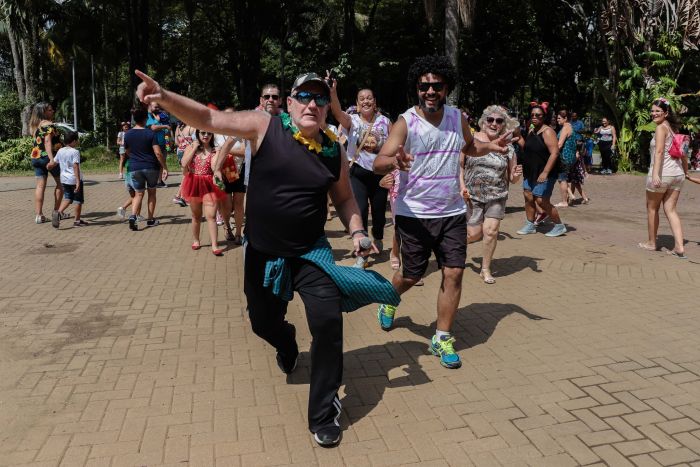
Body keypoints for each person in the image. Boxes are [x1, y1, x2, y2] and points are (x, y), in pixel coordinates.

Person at [135, 69, 399, 446]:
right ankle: (287, 343)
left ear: (327, 108)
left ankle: (324, 411)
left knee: (327, 323)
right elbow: (209, 119)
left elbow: (343, 197)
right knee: (263, 323)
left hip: (312, 255)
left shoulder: (332, 149)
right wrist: (163, 95)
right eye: (304, 97)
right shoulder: (264, 126)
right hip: (263, 253)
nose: (313, 104)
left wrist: (357, 229)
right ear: (290, 104)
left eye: (321, 99)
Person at [373, 56, 510, 369]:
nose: (430, 90)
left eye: (437, 85)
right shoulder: (406, 121)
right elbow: (380, 160)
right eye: (425, 85)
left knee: (454, 272)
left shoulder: (456, 117)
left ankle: (442, 337)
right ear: (417, 89)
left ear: (447, 87)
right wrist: (395, 161)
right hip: (414, 212)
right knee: (412, 274)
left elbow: (469, 147)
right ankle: (389, 298)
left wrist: (490, 147)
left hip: (450, 211)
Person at [328, 77, 392, 267]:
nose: (366, 101)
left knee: (379, 213)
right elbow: (337, 112)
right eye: (362, 99)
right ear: (357, 104)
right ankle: (362, 253)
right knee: (361, 210)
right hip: (357, 173)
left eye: (369, 98)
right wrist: (332, 92)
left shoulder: (385, 122)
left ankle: (378, 236)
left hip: (380, 174)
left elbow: (396, 145)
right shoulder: (352, 121)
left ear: (375, 102)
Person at [460, 106, 522, 284]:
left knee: (491, 231)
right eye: (491, 120)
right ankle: (454, 253)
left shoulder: (509, 147)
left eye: (499, 121)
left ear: (504, 125)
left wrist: (516, 176)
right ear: (483, 121)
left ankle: (485, 269)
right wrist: (461, 186)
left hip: (497, 195)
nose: (494, 124)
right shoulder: (471, 140)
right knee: (473, 234)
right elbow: (460, 165)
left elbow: (512, 177)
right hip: (472, 196)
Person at [638, 98, 688, 259]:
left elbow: (659, 152)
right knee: (671, 209)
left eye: (658, 111)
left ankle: (652, 243)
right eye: (652, 111)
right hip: (677, 174)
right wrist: (685, 172)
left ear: (666, 113)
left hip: (663, 174)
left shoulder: (661, 128)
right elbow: (683, 153)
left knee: (652, 208)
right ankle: (679, 246)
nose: (654, 114)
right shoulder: (673, 128)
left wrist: (655, 175)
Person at [515, 104, 567, 237]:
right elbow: (527, 147)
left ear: (544, 117)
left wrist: (545, 172)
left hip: (545, 172)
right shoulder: (532, 130)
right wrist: (517, 137)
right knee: (528, 196)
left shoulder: (548, 131)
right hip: (530, 171)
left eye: (538, 115)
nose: (534, 117)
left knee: (541, 200)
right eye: (532, 115)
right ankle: (530, 224)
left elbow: (554, 153)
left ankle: (559, 226)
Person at [180, 129, 226, 255]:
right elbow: (184, 163)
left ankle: (215, 245)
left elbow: (214, 168)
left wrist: (218, 153)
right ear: (198, 134)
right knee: (196, 215)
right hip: (194, 183)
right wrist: (194, 148)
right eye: (203, 133)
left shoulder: (215, 150)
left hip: (209, 184)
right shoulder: (191, 147)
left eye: (209, 133)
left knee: (211, 216)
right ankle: (196, 240)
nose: (206, 135)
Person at [124, 108, 169, 231]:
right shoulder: (150, 133)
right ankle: (150, 219)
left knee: (138, 194)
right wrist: (164, 167)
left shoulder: (128, 134)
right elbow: (158, 153)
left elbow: (127, 151)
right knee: (152, 193)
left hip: (134, 167)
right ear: (145, 119)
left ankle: (133, 216)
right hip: (151, 167)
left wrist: (135, 157)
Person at [29, 102, 64, 224]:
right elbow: (48, 142)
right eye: (50, 110)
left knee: (40, 186)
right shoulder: (48, 125)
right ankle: (57, 212)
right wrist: (52, 159)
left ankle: (39, 215)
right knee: (61, 184)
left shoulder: (35, 125)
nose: (52, 111)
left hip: (36, 157)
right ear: (43, 112)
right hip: (48, 158)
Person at [51, 131, 87, 228]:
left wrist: (48, 166)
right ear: (74, 141)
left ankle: (58, 212)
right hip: (73, 179)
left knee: (68, 198)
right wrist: (78, 181)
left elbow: (54, 162)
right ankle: (77, 221)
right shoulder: (75, 152)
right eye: (76, 141)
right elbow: (75, 166)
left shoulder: (60, 151)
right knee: (78, 200)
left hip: (64, 179)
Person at [554, 110, 577, 207]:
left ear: (565, 118)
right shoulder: (570, 127)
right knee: (565, 178)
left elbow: (559, 144)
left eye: (559, 118)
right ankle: (569, 196)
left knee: (562, 179)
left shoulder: (565, 128)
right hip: (570, 157)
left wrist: (551, 152)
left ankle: (564, 201)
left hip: (564, 157)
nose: (557, 120)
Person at [147, 102, 172, 187]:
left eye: (158, 107)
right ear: (149, 106)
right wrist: (165, 126)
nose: (158, 108)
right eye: (156, 107)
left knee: (162, 162)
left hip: (162, 143)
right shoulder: (148, 116)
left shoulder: (159, 116)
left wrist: (168, 142)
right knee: (154, 162)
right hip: (154, 144)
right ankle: (152, 182)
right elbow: (153, 128)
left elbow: (164, 130)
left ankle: (159, 181)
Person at [172, 121, 195, 207]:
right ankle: (181, 197)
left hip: (180, 151)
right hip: (188, 152)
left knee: (186, 175)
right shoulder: (192, 127)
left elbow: (176, 142)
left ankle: (180, 196)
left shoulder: (178, 127)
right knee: (187, 175)